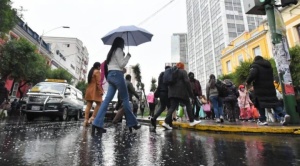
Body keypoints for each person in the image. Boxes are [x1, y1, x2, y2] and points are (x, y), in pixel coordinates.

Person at [92, 37, 140, 135]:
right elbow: (122, 64)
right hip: (117, 76)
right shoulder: (118, 50)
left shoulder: (110, 52)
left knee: (106, 101)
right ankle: (133, 123)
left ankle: (96, 123)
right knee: (126, 99)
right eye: (123, 44)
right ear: (120, 44)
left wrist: (121, 69)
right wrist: (128, 56)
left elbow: (113, 66)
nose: (124, 46)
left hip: (110, 76)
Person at [246, 56, 290, 126]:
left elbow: (252, 75)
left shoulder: (255, 66)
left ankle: (263, 120)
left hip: (260, 88)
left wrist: (248, 82)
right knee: (274, 103)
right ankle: (284, 115)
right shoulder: (269, 66)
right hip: (270, 88)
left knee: (260, 103)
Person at [161, 62, 201, 130]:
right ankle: (192, 121)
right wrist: (191, 94)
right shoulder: (183, 71)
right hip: (181, 92)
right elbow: (187, 82)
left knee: (172, 107)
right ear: (182, 66)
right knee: (188, 104)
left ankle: (166, 122)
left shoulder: (172, 72)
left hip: (171, 92)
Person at [83, 62, 103, 127]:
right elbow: (98, 83)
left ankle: (86, 120)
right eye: (100, 67)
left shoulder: (91, 71)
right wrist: (101, 91)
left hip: (89, 89)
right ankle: (92, 118)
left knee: (88, 105)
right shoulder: (97, 72)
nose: (100, 68)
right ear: (98, 67)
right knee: (99, 104)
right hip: (95, 90)